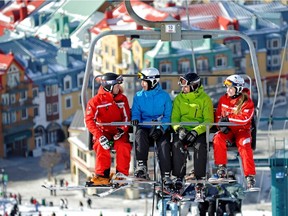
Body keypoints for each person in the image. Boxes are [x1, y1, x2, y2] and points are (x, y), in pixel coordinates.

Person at [85, 72, 132, 186]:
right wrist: (99, 136)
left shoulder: (122, 99)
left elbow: (127, 117)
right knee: (101, 146)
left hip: (119, 132)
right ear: (109, 86)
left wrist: (122, 129)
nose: (119, 88)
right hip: (104, 131)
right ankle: (102, 175)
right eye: (116, 86)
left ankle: (121, 175)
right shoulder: (95, 102)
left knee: (123, 146)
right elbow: (89, 120)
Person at [171, 72, 214, 189]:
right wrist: (179, 128)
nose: (183, 89)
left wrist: (196, 131)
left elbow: (208, 120)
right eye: (182, 87)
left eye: (186, 86)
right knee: (177, 144)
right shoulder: (179, 99)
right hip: (183, 129)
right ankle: (179, 176)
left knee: (200, 146)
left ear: (194, 86)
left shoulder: (205, 99)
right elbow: (174, 118)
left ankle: (199, 177)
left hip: (198, 131)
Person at [131, 67, 172, 186]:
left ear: (152, 82)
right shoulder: (138, 96)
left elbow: (167, 116)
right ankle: (141, 166)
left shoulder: (164, 97)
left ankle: (166, 175)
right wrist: (135, 119)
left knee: (164, 144)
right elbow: (136, 112)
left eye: (144, 81)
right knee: (139, 135)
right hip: (145, 127)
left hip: (159, 128)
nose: (142, 84)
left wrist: (161, 129)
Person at [213, 74, 256, 189]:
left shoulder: (247, 101)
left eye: (231, 88)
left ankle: (249, 176)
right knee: (218, 138)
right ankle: (221, 168)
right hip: (228, 131)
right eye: (227, 88)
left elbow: (245, 119)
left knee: (244, 143)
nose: (228, 90)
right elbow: (218, 116)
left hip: (242, 130)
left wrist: (228, 119)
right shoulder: (223, 99)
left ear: (238, 88)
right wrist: (221, 126)